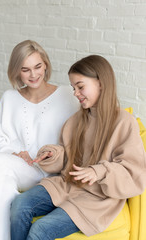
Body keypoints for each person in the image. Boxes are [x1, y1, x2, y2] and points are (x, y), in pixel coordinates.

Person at [10, 55, 146, 240]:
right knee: (19, 205)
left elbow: (134, 171)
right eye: (74, 88)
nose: (75, 93)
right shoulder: (75, 121)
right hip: (66, 185)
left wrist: (99, 171)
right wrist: (52, 154)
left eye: (80, 86)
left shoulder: (124, 122)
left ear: (101, 83)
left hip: (96, 199)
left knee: (40, 230)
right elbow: (65, 157)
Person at [0, 40, 79, 240]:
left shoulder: (67, 95)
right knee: (2, 183)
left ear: (46, 65)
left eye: (37, 67)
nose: (33, 74)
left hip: (48, 172)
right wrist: (14, 153)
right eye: (25, 69)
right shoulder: (9, 97)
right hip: (17, 167)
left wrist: (54, 153)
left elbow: (78, 139)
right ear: (17, 71)